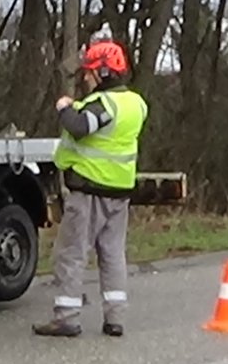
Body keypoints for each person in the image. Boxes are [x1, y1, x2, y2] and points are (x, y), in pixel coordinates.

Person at [35, 39, 148, 339]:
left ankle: (66, 318)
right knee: (112, 255)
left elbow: (81, 126)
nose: (85, 78)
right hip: (120, 191)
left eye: (88, 73)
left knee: (71, 253)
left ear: (103, 72)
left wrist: (63, 108)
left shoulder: (103, 105)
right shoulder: (136, 104)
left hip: (90, 191)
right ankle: (115, 318)